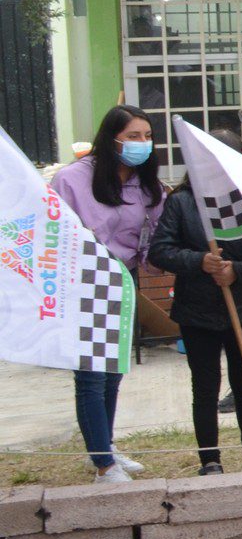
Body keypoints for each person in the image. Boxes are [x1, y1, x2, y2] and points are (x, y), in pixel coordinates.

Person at [147, 127, 242, 475]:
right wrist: (198, 261)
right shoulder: (181, 201)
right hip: (197, 311)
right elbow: (160, 251)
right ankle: (210, 459)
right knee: (205, 388)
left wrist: (238, 270)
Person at [50, 105, 165, 483]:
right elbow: (52, 234)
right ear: (110, 137)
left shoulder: (146, 183)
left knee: (113, 370)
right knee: (91, 375)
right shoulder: (72, 179)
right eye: (133, 136)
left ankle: (105, 446)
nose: (142, 144)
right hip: (84, 282)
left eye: (147, 136)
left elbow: (153, 231)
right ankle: (103, 466)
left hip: (124, 280)